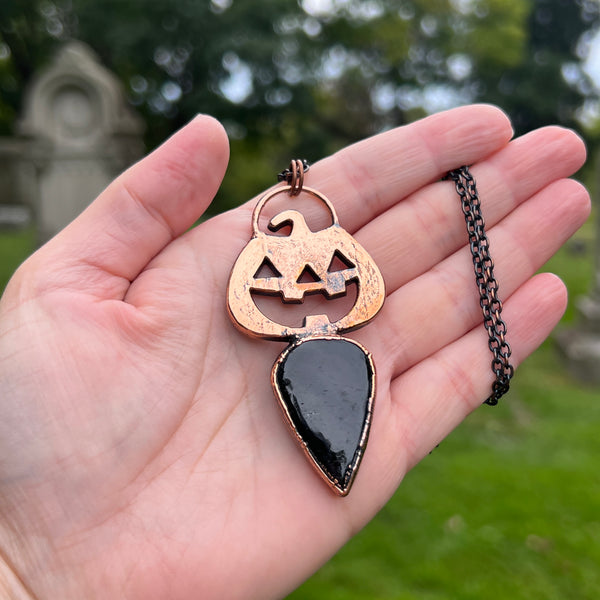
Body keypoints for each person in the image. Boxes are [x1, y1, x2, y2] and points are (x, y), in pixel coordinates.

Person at [0, 104, 590, 599]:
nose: (307, 277)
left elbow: (348, 285)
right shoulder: (289, 320)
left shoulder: (339, 308)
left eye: (318, 264)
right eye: (289, 266)